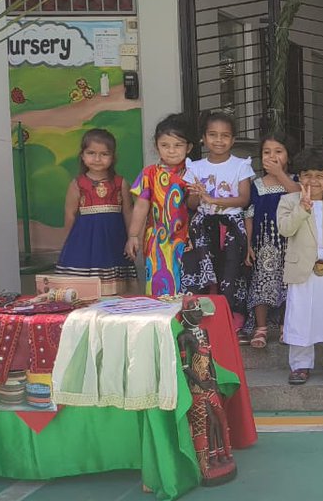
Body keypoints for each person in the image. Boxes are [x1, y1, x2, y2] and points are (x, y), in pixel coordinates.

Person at [277, 148, 323, 385]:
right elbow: (285, 229)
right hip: (302, 270)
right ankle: (300, 365)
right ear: (299, 177)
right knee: (300, 317)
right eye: (307, 175)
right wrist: (302, 209)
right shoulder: (288, 201)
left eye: (320, 175)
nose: (313, 181)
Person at [183, 110, 254, 334]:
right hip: (204, 226)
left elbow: (244, 199)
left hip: (231, 226)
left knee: (231, 270)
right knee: (207, 272)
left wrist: (213, 199)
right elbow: (193, 205)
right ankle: (207, 317)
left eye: (225, 135)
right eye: (213, 135)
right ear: (203, 138)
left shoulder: (241, 165)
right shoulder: (195, 167)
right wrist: (197, 194)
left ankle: (231, 316)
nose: (219, 140)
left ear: (233, 139)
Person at [56, 128, 135, 294]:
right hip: (83, 242)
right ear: (82, 156)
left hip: (114, 241)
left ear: (113, 157)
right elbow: (70, 214)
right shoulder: (77, 184)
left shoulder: (121, 183)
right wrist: (67, 244)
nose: (97, 159)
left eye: (104, 154)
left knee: (115, 292)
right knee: (83, 291)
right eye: (91, 153)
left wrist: (131, 239)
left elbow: (128, 212)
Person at [127, 114, 197, 297]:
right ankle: (159, 322)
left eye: (178, 145)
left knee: (185, 285)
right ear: (156, 146)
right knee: (158, 284)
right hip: (156, 241)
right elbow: (141, 206)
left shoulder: (192, 173)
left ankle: (185, 323)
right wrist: (133, 235)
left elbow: (193, 205)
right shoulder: (149, 173)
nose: (171, 151)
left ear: (189, 147)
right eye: (165, 145)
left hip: (186, 240)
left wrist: (196, 191)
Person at [243, 133, 300, 348]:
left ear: (288, 156)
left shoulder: (295, 180)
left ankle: (288, 325)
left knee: (289, 283)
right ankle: (261, 327)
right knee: (262, 281)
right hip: (264, 243)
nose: (272, 156)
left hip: (291, 242)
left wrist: (280, 174)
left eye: (278, 152)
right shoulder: (256, 185)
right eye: (267, 152)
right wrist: (248, 244)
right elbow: (249, 214)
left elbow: (299, 196)